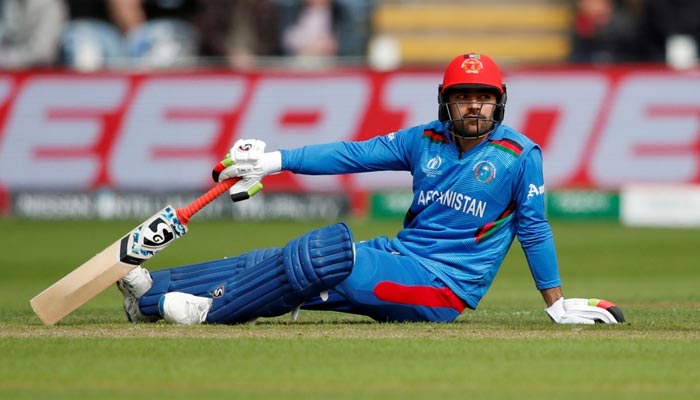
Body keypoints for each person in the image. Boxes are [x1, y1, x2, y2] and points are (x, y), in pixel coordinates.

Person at [116, 52, 625, 325]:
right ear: (445, 101)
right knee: (285, 259)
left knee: (326, 253)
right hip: (401, 257)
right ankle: (152, 293)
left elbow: (534, 231)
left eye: (484, 97)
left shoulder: (520, 156)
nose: (474, 106)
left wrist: (555, 303)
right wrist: (273, 161)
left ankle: (210, 311)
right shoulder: (423, 138)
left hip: (443, 290)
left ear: (500, 102)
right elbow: (351, 154)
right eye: (463, 96)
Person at [0, 0, 67, 69]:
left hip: (43, 73)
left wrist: (6, 59)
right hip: (11, 71)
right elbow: (7, 39)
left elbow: (42, 53)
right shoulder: (10, 3)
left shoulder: (50, 5)